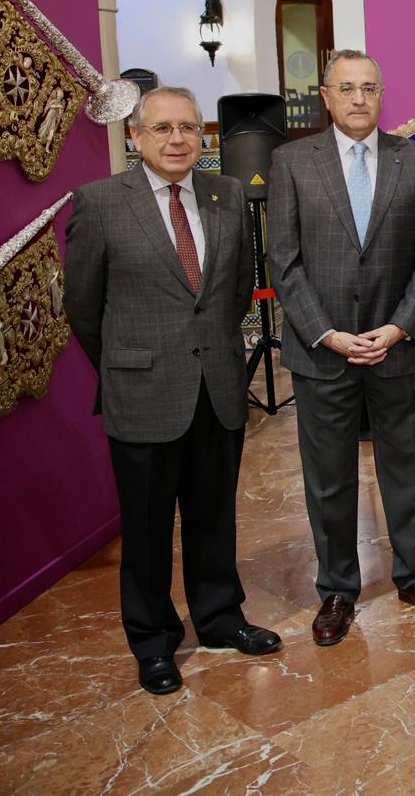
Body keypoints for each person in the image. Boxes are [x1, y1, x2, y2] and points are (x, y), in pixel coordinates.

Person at [65, 85, 281, 695]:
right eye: (162, 129)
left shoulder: (226, 195)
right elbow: (82, 307)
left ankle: (219, 618)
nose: (178, 139)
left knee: (215, 517)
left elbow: (238, 288)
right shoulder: (101, 203)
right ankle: (154, 640)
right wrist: (126, 367)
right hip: (142, 393)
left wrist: (213, 350)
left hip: (216, 384)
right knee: (148, 526)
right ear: (135, 138)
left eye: (188, 128)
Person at [267, 50, 415, 646]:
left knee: (404, 471)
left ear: (381, 92)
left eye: (369, 87)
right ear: (325, 95)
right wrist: (326, 332)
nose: (358, 99)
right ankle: (338, 588)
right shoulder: (292, 162)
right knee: (329, 478)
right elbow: (284, 261)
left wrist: (398, 327)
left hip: (395, 346)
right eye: (346, 88)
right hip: (323, 350)